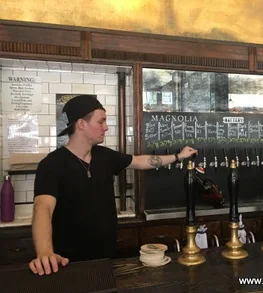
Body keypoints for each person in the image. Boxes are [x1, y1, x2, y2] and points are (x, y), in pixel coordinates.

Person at [29, 95, 197, 276]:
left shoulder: (104, 156)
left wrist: (178, 156)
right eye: (101, 121)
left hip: (107, 258)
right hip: (68, 263)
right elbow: (42, 208)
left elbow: (140, 161)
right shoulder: (51, 165)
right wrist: (45, 252)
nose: (106, 127)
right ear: (81, 124)